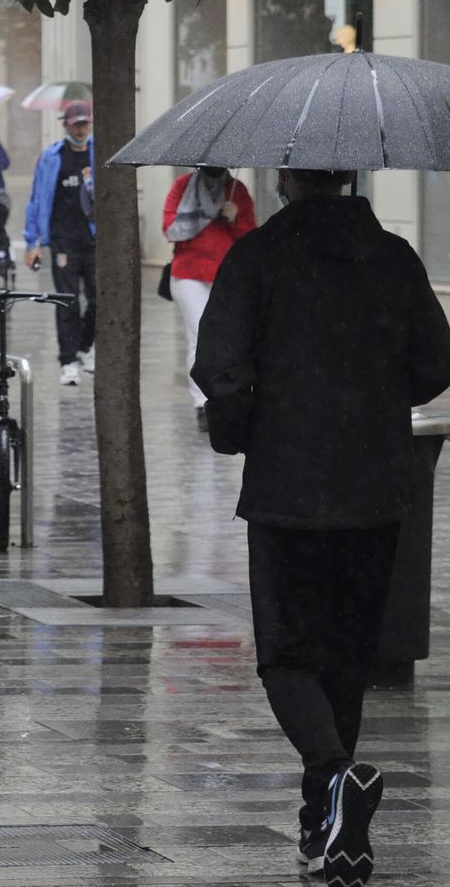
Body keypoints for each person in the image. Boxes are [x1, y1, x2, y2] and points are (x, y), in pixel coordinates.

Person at [193, 168, 450, 884]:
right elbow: (435, 362)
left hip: (288, 487)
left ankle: (335, 778)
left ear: (283, 179)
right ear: (348, 178)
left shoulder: (258, 258)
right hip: (376, 487)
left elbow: (220, 365)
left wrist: (245, 429)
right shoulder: (394, 256)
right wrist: (370, 389)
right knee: (345, 660)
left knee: (287, 653)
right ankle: (322, 828)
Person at [161, 165, 256, 430]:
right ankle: (202, 403)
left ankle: (224, 396)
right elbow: (169, 227)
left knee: (227, 339)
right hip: (189, 273)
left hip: (225, 275)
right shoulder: (182, 187)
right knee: (199, 336)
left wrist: (235, 218)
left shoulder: (237, 192)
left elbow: (250, 237)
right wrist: (205, 214)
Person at [23, 101, 96, 386]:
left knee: (98, 298)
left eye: (85, 123)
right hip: (62, 240)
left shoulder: (97, 153)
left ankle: (86, 347)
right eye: (76, 123)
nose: (81, 128)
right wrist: (33, 243)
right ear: (65, 124)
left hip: (93, 238)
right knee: (67, 301)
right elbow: (37, 200)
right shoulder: (52, 156)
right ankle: (68, 361)